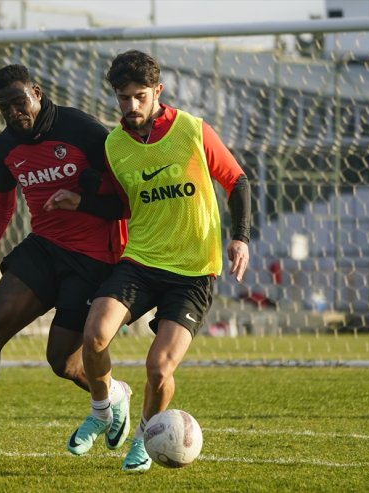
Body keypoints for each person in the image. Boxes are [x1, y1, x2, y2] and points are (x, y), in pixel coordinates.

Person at [0, 64, 130, 469]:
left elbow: (127, 196)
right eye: (4, 107)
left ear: (36, 91)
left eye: (19, 102)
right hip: (44, 248)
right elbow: (1, 206)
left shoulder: (83, 130)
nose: (15, 112)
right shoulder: (6, 147)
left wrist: (89, 193)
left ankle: (114, 394)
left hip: (94, 259)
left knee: (62, 362)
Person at [54, 50, 251, 472]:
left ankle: (144, 436)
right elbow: (121, 207)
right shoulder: (115, 145)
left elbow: (237, 180)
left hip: (193, 273)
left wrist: (240, 238)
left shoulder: (192, 131)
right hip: (140, 261)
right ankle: (105, 409)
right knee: (94, 335)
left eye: (139, 97)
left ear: (157, 91)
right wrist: (81, 201)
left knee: (159, 369)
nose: (131, 107)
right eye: (123, 98)